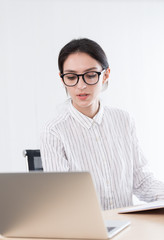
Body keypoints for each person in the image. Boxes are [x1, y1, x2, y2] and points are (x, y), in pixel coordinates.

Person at [40, 38, 164, 210]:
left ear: (105, 75)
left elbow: (141, 181)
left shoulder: (124, 120)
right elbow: (60, 198)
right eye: (71, 77)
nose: (81, 85)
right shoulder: (54, 131)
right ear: (62, 79)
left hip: (126, 228)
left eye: (90, 75)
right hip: (83, 231)